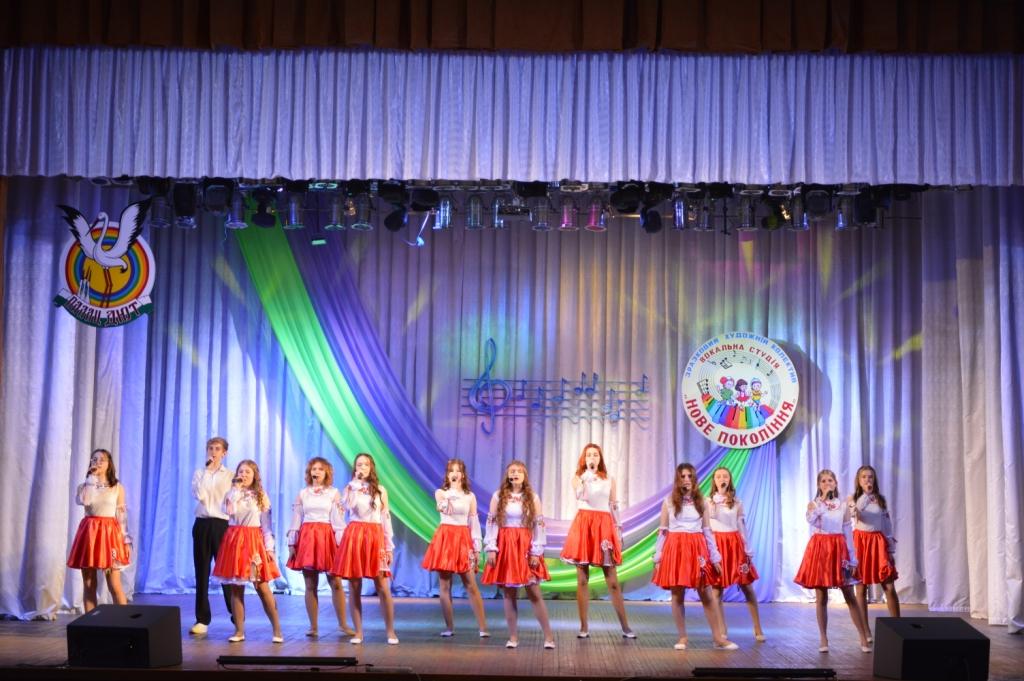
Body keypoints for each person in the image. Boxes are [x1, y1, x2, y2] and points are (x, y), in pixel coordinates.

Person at [652, 463, 737, 651]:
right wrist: (658, 556)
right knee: (677, 594)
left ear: (694, 479)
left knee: (706, 593)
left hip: (697, 548)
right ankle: (682, 637)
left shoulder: (702, 502)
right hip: (675, 548)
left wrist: (715, 557)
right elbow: (663, 530)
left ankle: (718, 638)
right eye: (682, 476)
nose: (686, 480)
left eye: (689, 476)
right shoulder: (669, 501)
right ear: (678, 479)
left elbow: (707, 530)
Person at [559, 443, 634, 638]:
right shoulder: (578, 478)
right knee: (582, 579)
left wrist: (618, 531)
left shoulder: (609, 479)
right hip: (584, 524)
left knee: (613, 580)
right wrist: (587, 475)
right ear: (584, 459)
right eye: (589, 455)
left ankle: (625, 626)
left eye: (595, 455)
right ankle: (584, 627)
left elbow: (613, 505)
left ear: (600, 458)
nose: (592, 458)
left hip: (604, 526)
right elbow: (581, 495)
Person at [794, 469, 871, 653]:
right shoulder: (814, 504)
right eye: (823, 481)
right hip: (820, 550)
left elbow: (847, 533)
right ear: (819, 485)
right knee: (821, 596)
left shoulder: (842, 505)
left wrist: (853, 559)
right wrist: (821, 500)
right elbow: (810, 520)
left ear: (835, 483)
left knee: (849, 594)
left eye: (830, 480)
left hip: (838, 549)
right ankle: (823, 638)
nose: (827, 483)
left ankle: (863, 637)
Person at [482, 460, 556, 650]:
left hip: (525, 545)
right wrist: (491, 547)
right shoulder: (498, 496)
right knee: (509, 594)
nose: (515, 474)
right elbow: (492, 522)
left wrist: (536, 551)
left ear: (524, 475)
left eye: (518, 471)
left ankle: (549, 636)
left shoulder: (532, 497)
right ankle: (513, 637)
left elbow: (539, 524)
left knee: (534, 592)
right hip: (506, 546)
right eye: (512, 471)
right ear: (507, 475)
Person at [212, 459, 283, 643]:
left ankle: (277, 629)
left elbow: (266, 526)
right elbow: (228, 511)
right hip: (234, 541)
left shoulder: (261, 496)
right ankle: (239, 631)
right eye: (241, 472)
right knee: (236, 589)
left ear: (254, 476)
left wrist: (269, 548)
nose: (243, 475)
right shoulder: (231, 494)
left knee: (262, 587)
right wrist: (235, 490)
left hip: (253, 542)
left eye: (247, 472)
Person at [331, 453, 398, 645]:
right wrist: (354, 486)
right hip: (355, 536)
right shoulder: (350, 488)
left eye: (366, 465)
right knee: (354, 586)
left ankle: (390, 632)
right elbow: (347, 507)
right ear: (355, 469)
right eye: (359, 465)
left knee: (382, 586)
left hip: (375, 536)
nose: (362, 468)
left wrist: (389, 546)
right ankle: (358, 632)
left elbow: (385, 518)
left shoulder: (380, 490)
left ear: (371, 468)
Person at [286, 457, 355, 638]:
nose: (316, 472)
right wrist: (292, 542)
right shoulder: (303, 493)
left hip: (327, 537)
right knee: (310, 584)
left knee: (336, 582)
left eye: (320, 469)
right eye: (314, 469)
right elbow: (297, 518)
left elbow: (338, 520)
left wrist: (341, 543)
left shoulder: (334, 493)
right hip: (308, 537)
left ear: (327, 473)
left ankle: (343, 624)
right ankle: (313, 626)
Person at [421, 458, 489, 637]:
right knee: (445, 585)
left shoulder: (470, 496)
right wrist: (449, 495)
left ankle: (483, 628)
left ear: (463, 474)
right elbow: (444, 509)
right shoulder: (441, 493)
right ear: (447, 474)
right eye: (451, 470)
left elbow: (473, 522)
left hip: (463, 538)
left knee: (471, 584)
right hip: (445, 538)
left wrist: (477, 547)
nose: (455, 473)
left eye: (458, 470)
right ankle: (449, 627)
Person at [67, 448, 131, 612]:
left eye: (102, 459)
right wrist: (91, 479)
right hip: (89, 534)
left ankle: (124, 622)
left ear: (109, 464)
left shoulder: (117, 487)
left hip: (109, 535)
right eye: (94, 459)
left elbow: (121, 514)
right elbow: (85, 501)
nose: (97, 462)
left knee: (114, 584)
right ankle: (91, 623)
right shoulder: (84, 486)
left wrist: (126, 539)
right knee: (89, 584)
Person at [708, 466, 765, 642]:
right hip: (717, 545)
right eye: (718, 476)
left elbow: (741, 526)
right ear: (714, 481)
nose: (722, 479)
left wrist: (747, 548)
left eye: (725, 476)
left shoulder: (737, 502)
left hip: (734, 544)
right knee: (717, 589)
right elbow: (708, 523)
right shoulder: (708, 502)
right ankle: (722, 629)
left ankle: (757, 627)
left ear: (730, 480)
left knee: (747, 586)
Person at [849, 464, 900, 642]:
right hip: (861, 544)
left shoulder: (881, 500)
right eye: (864, 477)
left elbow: (887, 525)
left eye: (870, 477)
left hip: (878, 543)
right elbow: (857, 514)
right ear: (858, 480)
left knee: (889, 586)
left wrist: (890, 549)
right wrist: (866, 494)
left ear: (874, 479)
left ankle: (899, 628)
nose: (867, 480)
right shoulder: (854, 499)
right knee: (861, 588)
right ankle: (866, 631)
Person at [189, 436, 234, 635]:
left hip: (222, 525)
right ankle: (202, 619)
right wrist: (207, 472)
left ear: (224, 453)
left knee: (226, 572)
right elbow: (199, 495)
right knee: (201, 571)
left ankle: (236, 615)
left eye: (217, 449)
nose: (213, 452)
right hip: (202, 523)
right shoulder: (200, 473)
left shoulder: (230, 475)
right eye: (210, 448)